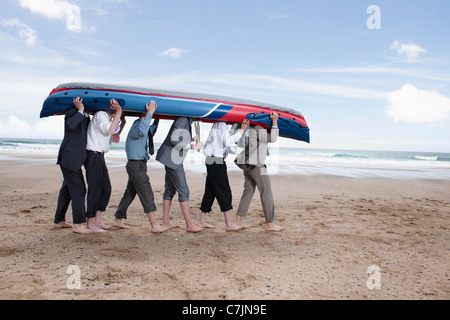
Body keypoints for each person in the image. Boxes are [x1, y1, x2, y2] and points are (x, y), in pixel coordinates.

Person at [112, 101, 170, 233]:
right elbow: (142, 131)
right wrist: (150, 113)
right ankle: (155, 225)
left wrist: (157, 117)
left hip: (140, 164)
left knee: (130, 192)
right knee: (146, 191)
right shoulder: (139, 125)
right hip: (135, 164)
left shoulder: (143, 125)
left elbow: (150, 131)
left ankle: (118, 218)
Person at [234, 112, 284, 232]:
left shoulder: (249, 128)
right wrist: (275, 121)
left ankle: (237, 222)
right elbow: (273, 138)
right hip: (256, 165)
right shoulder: (258, 127)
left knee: (248, 192)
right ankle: (270, 223)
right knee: (266, 192)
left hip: (246, 164)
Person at [198, 119, 250, 231]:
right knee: (224, 190)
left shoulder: (217, 123)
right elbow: (227, 141)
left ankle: (202, 221)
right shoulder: (221, 124)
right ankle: (229, 224)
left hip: (212, 160)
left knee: (210, 191)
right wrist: (242, 130)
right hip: (216, 161)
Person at [155, 117, 203, 233]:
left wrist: (191, 139)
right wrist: (192, 146)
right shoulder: (183, 119)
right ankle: (189, 225)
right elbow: (174, 139)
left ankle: (166, 222)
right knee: (184, 191)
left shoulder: (186, 120)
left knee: (169, 190)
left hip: (170, 159)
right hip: (173, 160)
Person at [85, 99, 125, 233]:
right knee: (95, 190)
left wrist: (121, 120)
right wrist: (119, 111)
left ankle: (98, 220)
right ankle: (90, 223)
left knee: (106, 189)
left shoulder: (107, 118)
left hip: (100, 157)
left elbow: (114, 134)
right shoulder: (101, 114)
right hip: (93, 156)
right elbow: (111, 129)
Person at [54, 97, 92, 234]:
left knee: (67, 190)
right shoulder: (71, 112)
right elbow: (71, 126)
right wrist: (80, 109)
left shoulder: (87, 116)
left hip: (75, 158)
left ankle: (59, 220)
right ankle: (78, 224)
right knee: (79, 190)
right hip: (70, 158)